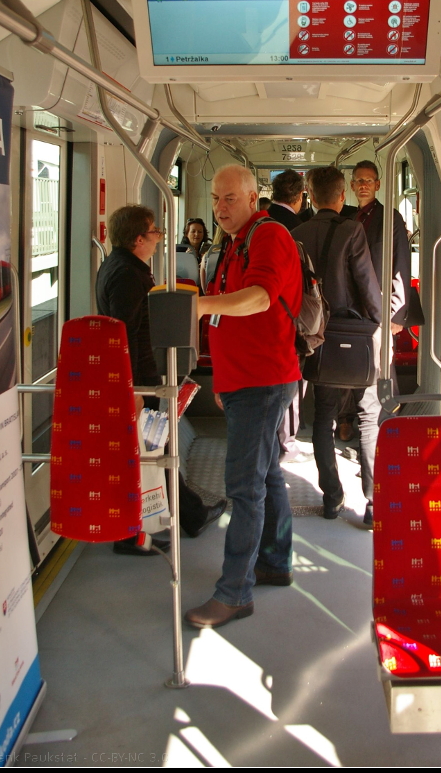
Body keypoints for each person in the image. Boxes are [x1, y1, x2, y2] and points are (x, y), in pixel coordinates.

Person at [184, 165, 303, 629]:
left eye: (230, 199)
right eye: (215, 199)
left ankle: (235, 593)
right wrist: (224, 383)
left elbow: (259, 298)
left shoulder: (268, 235)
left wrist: (200, 304)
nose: (220, 208)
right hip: (244, 381)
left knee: (244, 489)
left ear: (254, 197)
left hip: (261, 380)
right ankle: (274, 560)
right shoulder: (235, 242)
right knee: (266, 474)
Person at [96, 205, 226, 556]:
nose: (158, 237)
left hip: (141, 377)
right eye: (154, 232)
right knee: (154, 453)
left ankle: (175, 519)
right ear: (139, 238)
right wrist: (134, 389)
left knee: (154, 453)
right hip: (139, 380)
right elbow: (121, 336)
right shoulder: (127, 275)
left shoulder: (121, 266)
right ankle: (179, 520)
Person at [293, 166, 382, 526]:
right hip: (355, 336)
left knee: (323, 417)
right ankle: (373, 502)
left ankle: (332, 497)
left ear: (310, 197)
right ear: (342, 195)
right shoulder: (353, 229)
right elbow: (366, 282)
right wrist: (377, 324)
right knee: (368, 417)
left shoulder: (296, 234)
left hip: (318, 338)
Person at [266, 169, 311, 462]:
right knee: (292, 381)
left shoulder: (260, 223)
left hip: (262, 313)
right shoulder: (298, 228)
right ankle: (288, 443)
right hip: (289, 313)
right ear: (299, 197)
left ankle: (271, 439)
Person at [349, 159, 412, 336]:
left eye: (369, 181)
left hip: (382, 306)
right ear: (352, 185)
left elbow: (401, 264)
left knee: (382, 360)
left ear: (377, 185)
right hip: (355, 305)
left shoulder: (391, 218)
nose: (364, 185)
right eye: (359, 181)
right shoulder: (352, 220)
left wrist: (397, 313)